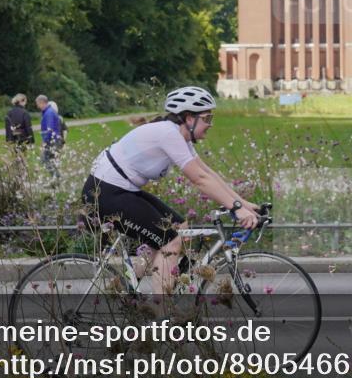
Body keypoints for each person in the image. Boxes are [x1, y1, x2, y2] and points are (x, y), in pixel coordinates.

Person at [82, 86, 260, 294]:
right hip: (105, 193)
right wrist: (237, 209)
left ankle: (124, 287)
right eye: (207, 118)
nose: (210, 124)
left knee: (178, 225)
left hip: (122, 189)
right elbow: (200, 180)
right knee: (171, 242)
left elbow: (208, 173)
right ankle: (161, 316)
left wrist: (244, 204)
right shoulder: (168, 134)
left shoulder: (178, 135)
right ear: (189, 118)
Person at [35, 95, 63, 176]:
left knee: (45, 159)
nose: (37, 106)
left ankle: (56, 178)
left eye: (37, 103)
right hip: (53, 140)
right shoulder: (48, 112)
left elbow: (49, 130)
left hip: (52, 141)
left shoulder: (49, 113)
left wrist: (45, 142)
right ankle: (55, 178)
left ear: (42, 103)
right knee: (49, 160)